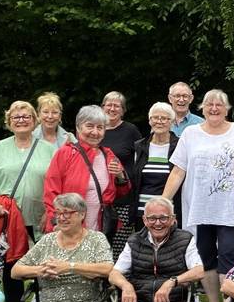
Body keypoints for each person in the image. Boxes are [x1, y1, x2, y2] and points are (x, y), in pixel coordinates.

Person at [163, 89, 234, 302]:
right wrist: (164, 202)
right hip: (199, 208)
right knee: (205, 257)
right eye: (209, 104)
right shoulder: (191, 134)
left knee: (229, 253)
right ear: (202, 108)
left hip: (231, 207)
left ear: (227, 109)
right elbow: (178, 170)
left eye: (219, 105)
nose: (214, 108)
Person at [0, 101, 55, 302]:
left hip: (39, 216)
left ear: (34, 120)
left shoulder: (48, 150)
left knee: (44, 259)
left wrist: (51, 212)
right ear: (9, 122)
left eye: (26, 116)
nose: (21, 120)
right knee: (11, 259)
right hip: (8, 217)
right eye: (16, 117)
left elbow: (57, 182)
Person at [43, 105, 130, 233]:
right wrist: (55, 221)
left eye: (100, 127)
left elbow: (121, 192)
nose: (95, 132)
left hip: (99, 227)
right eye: (90, 126)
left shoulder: (108, 155)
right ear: (78, 127)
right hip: (68, 226)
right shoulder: (65, 153)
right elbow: (51, 191)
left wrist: (120, 176)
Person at [102, 91, 143, 254]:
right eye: (108, 105)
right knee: (99, 241)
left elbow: (141, 159)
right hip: (99, 198)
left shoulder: (130, 130)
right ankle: (100, 278)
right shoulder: (94, 129)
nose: (112, 108)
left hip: (123, 197)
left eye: (116, 106)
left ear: (123, 110)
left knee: (120, 244)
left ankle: (117, 277)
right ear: (102, 107)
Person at [130, 102, 180, 227]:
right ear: (149, 120)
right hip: (143, 211)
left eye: (164, 118)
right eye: (155, 117)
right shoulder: (139, 146)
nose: (159, 121)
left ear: (172, 122)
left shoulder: (180, 146)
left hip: (169, 212)